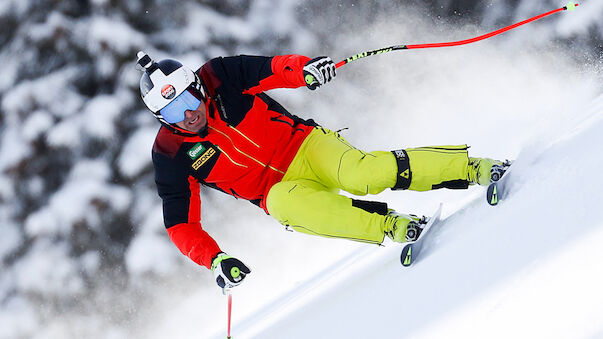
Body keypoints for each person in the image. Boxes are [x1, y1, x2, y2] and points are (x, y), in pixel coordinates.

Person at [136, 51, 505, 290]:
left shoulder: (220, 76)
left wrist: (305, 70)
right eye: (172, 113)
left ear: (197, 86)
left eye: (188, 99)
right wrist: (214, 259)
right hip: (278, 190)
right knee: (283, 205)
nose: (188, 114)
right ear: (160, 119)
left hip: (306, 146)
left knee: (363, 175)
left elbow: (271, 70)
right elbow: (180, 224)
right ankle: (393, 226)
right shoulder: (169, 153)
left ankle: (472, 168)